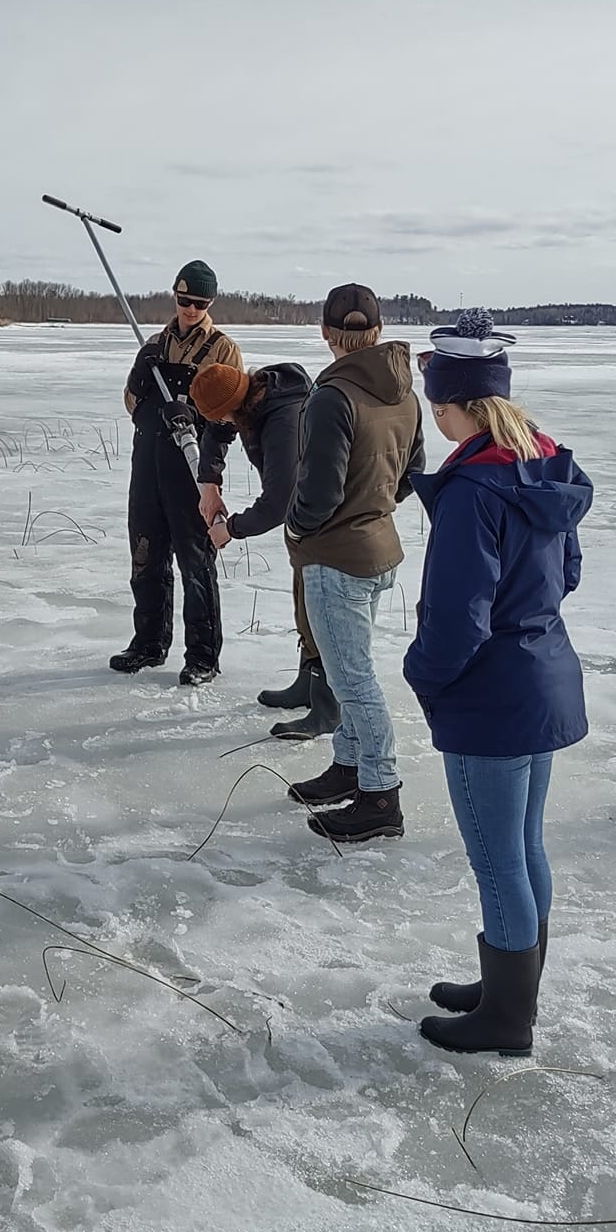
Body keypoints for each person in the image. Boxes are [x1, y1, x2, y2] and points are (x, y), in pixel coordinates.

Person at [403, 316, 591, 1056]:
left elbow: (456, 619)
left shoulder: (472, 491)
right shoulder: (542, 466)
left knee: (498, 857)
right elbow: (567, 574)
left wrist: (425, 677)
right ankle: (513, 987)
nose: (433, 416)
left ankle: (508, 1019)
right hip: (542, 680)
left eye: (434, 403)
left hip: (491, 699)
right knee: (524, 847)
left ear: (455, 404)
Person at [283, 284, 425, 842]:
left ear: (325, 332)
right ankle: (349, 767)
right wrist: (373, 507)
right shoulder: (405, 394)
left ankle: (380, 794)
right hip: (378, 549)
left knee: (354, 678)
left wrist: (296, 527)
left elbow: (317, 495)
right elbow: (412, 473)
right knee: (350, 667)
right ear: (378, 331)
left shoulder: (332, 397)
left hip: (337, 559)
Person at [189, 359, 339, 739]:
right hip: (306, 522)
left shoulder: (282, 420)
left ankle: (327, 707)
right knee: (304, 601)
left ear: (234, 404)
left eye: (222, 416)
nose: (222, 425)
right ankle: (308, 682)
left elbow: (279, 501)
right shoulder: (253, 397)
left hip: (328, 520)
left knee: (321, 611)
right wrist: (209, 481)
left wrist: (231, 530)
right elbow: (216, 431)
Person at [110, 261, 241, 686]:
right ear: (175, 296)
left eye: (199, 303)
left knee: (195, 562)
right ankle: (148, 643)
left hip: (192, 470)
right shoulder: (153, 344)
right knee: (146, 556)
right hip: (147, 465)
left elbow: (232, 414)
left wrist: (196, 415)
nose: (190, 309)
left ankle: (202, 656)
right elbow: (131, 405)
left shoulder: (223, 349)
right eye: (184, 300)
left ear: (210, 303)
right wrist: (140, 378)